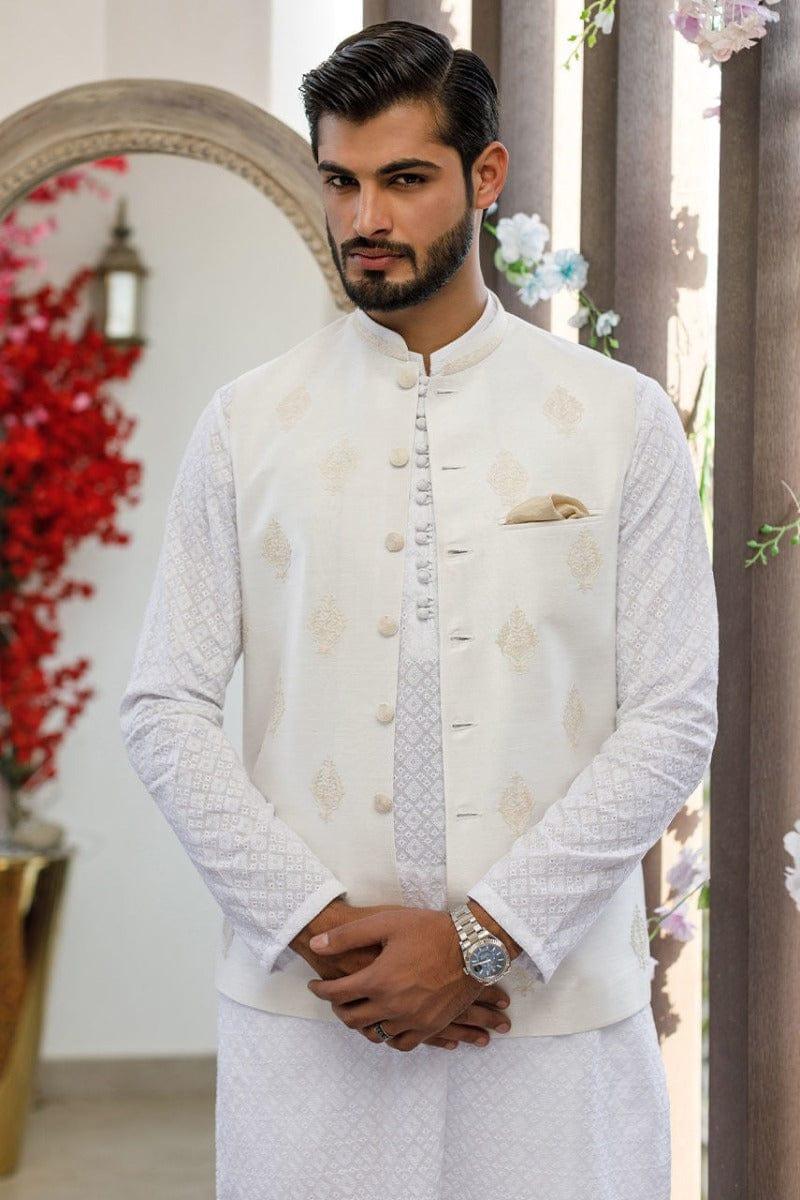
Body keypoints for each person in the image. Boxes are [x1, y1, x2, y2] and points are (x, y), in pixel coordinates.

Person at [119, 20, 719, 1200]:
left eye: (403, 180)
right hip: (313, 1022)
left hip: (549, 1026)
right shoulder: (247, 425)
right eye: (340, 182)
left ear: (484, 177)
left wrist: (481, 939)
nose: (365, 219)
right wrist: (324, 935)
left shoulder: (617, 420)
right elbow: (162, 708)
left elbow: (670, 717)